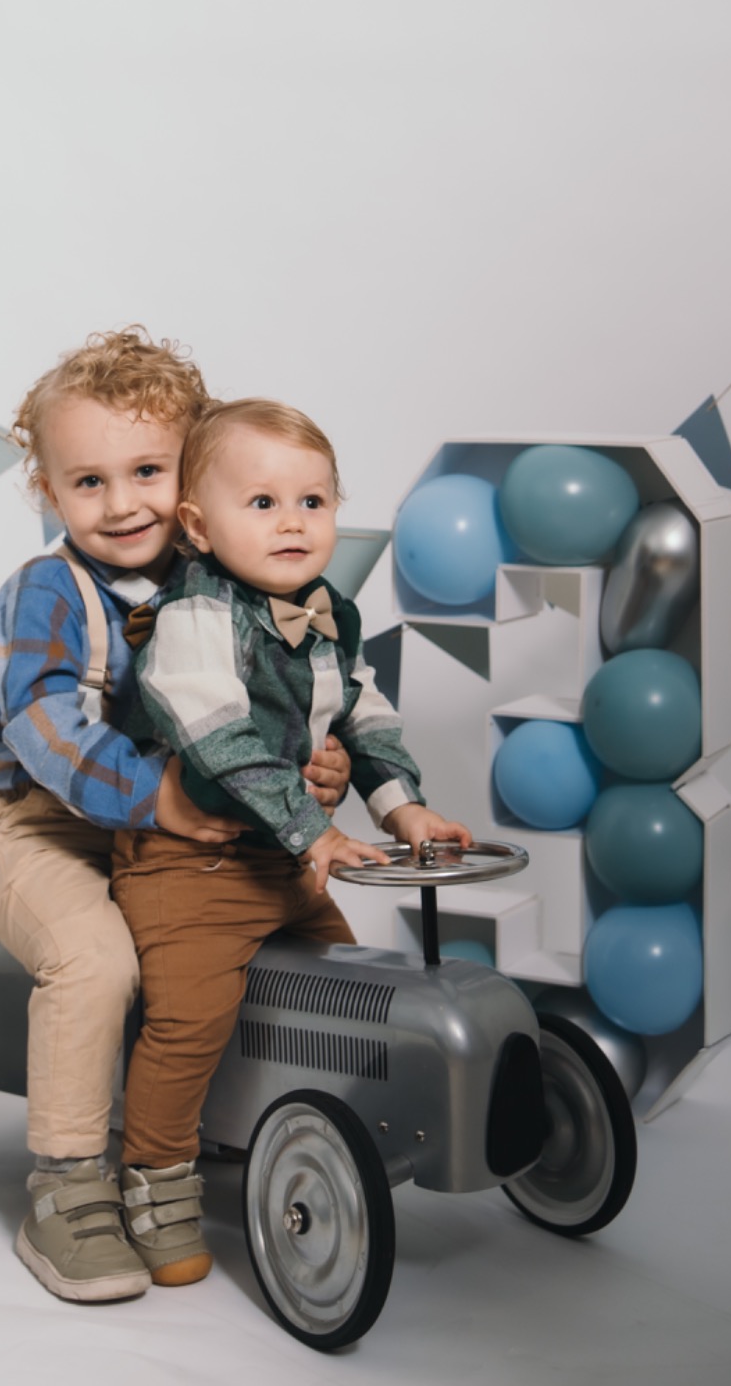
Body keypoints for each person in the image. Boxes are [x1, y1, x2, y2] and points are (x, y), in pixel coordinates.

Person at [0, 334, 351, 1304]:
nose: (122, 502)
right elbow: (43, 725)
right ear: (48, 491)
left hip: (169, 842)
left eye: (147, 471)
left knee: (279, 933)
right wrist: (157, 795)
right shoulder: (48, 592)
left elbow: (276, 707)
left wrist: (317, 765)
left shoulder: (232, 581)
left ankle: (229, 1127)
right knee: (96, 961)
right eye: (88, 481)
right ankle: (66, 1185)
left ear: (196, 479)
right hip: (40, 825)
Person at [111, 398, 473, 1284]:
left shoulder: (328, 611)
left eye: (312, 501)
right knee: (190, 1018)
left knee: (340, 1007)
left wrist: (402, 809)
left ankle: (302, 1143)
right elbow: (218, 734)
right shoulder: (195, 613)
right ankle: (154, 1179)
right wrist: (314, 830)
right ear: (199, 526)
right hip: (190, 862)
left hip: (284, 860)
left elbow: (362, 712)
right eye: (263, 503)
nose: (292, 523)